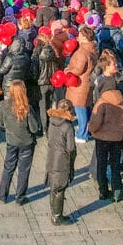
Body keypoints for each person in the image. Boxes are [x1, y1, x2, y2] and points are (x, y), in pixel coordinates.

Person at [0, 78, 42, 204]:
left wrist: (9, 127)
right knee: (23, 170)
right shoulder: (27, 108)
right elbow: (34, 128)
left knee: (8, 168)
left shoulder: (4, 105)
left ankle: (2, 195)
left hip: (11, 141)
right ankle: (20, 197)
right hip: (26, 143)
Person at [44, 81, 79, 225]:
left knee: (54, 186)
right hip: (62, 160)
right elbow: (71, 148)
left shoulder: (52, 121)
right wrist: (72, 162)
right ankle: (57, 216)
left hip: (51, 157)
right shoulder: (67, 126)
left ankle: (54, 212)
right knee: (60, 189)